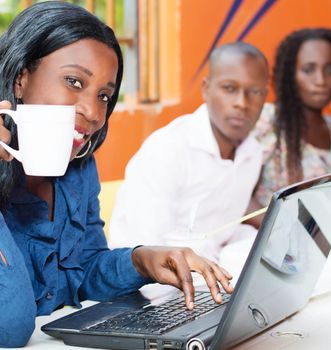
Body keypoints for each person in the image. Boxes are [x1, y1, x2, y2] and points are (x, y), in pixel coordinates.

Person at [0, 2, 233, 349]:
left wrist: (143, 260)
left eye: (105, 94)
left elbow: (84, 270)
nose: (92, 111)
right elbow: (5, 329)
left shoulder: (77, 165)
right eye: (74, 82)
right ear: (21, 79)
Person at [108, 42, 269, 261]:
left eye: (255, 92)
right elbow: (150, 251)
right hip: (148, 284)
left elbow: (222, 232)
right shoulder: (168, 150)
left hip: (212, 272)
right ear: (206, 89)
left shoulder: (252, 153)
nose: (242, 103)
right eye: (229, 88)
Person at [253, 28, 331, 207]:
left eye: (330, 70)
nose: (321, 80)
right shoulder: (268, 121)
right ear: (290, 75)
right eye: (308, 70)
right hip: (272, 234)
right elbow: (238, 198)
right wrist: (281, 229)